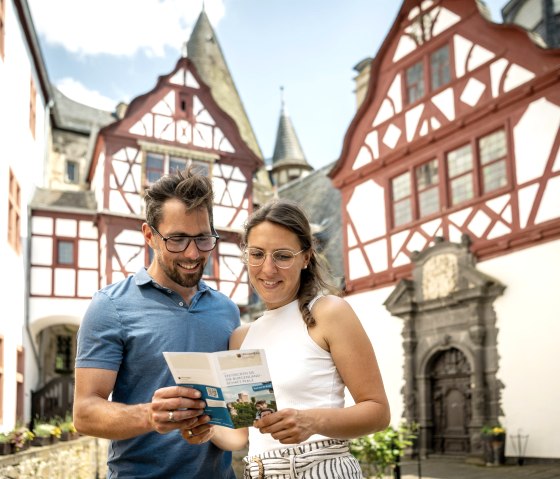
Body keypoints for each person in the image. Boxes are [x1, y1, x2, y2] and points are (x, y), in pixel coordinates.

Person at [182, 198, 390, 478]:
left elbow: (378, 412)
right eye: (257, 254)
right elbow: (241, 435)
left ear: (305, 257)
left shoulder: (329, 312)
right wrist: (205, 426)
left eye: (282, 256)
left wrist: (311, 421)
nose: (267, 269)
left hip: (321, 468)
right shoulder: (241, 338)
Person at [73, 167, 240, 478]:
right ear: (149, 235)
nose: (193, 253)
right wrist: (149, 415)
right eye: (177, 239)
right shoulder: (110, 306)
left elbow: (233, 417)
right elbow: (84, 414)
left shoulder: (227, 311)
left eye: (203, 238)